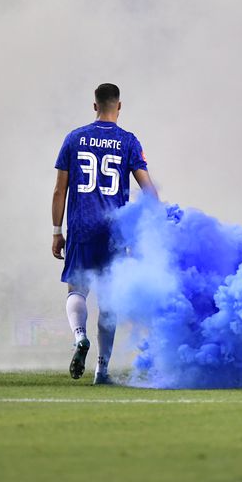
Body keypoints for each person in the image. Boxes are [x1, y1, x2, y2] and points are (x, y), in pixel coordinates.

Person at [51, 83, 156, 384]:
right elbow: (147, 189)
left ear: (94, 106)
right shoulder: (129, 142)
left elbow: (60, 190)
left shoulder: (74, 138)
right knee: (109, 303)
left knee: (76, 290)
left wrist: (57, 231)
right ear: (118, 106)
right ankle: (102, 371)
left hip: (82, 226)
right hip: (113, 231)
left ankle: (79, 336)